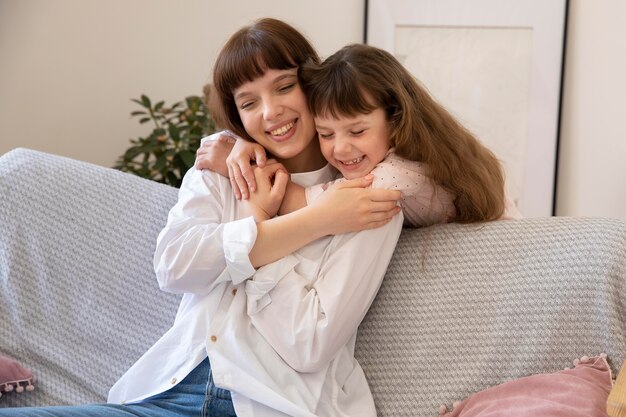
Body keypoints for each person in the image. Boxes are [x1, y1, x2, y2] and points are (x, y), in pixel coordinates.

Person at [0, 18, 401, 417]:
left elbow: (309, 343)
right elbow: (174, 267)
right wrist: (301, 222)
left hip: (275, 405)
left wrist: (260, 225)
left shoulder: (362, 199)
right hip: (169, 393)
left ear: (312, 85)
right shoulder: (220, 171)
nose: (271, 111)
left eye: (284, 86)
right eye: (248, 103)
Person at [198, 43, 522, 226]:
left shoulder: (399, 174)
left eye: (357, 130)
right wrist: (244, 141)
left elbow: (314, 205)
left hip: (510, 261)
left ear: (395, 119)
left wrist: (241, 167)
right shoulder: (388, 142)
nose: (340, 147)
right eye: (325, 133)